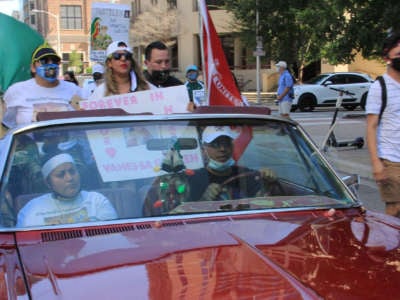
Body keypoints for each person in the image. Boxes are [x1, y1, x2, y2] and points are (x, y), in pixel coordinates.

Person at [143, 126, 276, 216]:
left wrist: (269, 182)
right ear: (203, 150)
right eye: (215, 144)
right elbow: (179, 221)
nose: (222, 149)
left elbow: (266, 208)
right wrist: (204, 201)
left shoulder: (248, 175)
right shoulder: (190, 180)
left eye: (226, 143)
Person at [16, 153, 118, 227]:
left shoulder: (96, 200)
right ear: (48, 183)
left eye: (72, 171)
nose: (69, 178)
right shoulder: (31, 210)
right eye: (61, 175)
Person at [2, 43, 83, 129]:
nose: (51, 64)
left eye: (55, 61)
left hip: (68, 141)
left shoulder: (73, 89)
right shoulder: (16, 90)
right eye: (44, 61)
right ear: (33, 67)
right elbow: (7, 124)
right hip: (28, 141)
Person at [366, 32, 400, 218]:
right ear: (387, 58)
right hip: (391, 159)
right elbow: (371, 127)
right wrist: (376, 163)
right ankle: (391, 245)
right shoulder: (380, 87)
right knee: (395, 209)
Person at [89, 41, 153, 100]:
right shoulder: (100, 92)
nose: (123, 59)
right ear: (109, 63)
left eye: (127, 56)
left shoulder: (148, 88)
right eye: (117, 56)